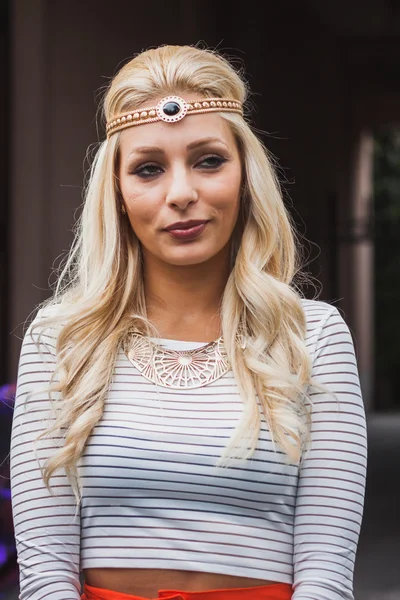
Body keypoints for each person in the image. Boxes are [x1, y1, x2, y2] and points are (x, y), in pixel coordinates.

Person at [9, 44, 367, 600]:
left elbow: (325, 572)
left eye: (208, 160)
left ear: (246, 176)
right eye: (149, 169)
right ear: (118, 193)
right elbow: (46, 573)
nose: (182, 194)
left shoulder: (311, 335)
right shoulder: (60, 341)